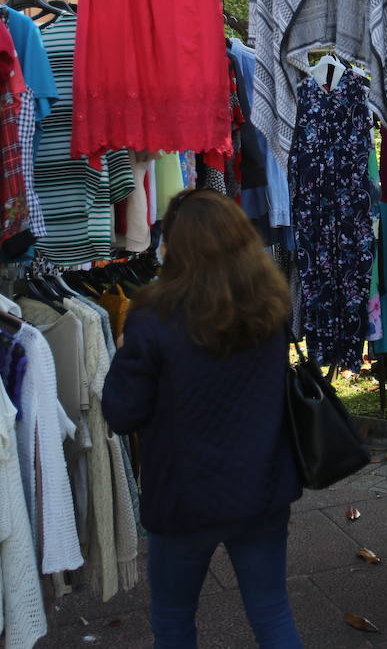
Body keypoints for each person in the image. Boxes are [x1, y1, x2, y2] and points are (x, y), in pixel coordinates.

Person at [103, 190, 303, 647]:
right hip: (261, 488)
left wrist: (123, 362)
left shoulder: (153, 318)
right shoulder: (270, 309)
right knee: (272, 612)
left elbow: (122, 410)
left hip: (183, 496)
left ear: (177, 246)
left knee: (173, 620)